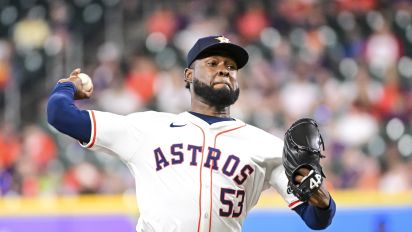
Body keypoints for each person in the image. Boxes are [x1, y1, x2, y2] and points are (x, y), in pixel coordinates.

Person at [47, 35, 336, 231]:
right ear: (188, 75)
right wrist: (67, 86)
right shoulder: (147, 128)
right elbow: (60, 115)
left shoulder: (266, 146)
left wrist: (322, 200)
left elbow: (316, 220)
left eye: (231, 66)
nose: (224, 70)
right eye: (213, 64)